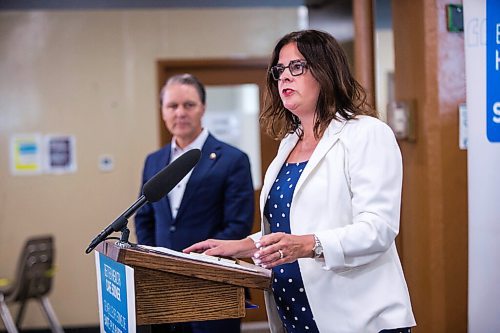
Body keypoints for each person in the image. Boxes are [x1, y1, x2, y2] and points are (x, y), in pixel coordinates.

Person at [184, 30, 416, 333]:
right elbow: (290, 227)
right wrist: (241, 246)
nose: (284, 77)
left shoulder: (366, 133)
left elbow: (378, 228)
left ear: (325, 70)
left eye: (297, 67)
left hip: (358, 318)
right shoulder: (289, 143)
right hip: (296, 315)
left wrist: (309, 245)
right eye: (279, 70)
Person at [134, 73, 254, 333]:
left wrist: (195, 262)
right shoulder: (154, 161)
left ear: (203, 108)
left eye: (188, 105)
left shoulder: (233, 159)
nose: (180, 113)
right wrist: (156, 261)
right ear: (163, 111)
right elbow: (144, 217)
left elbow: (238, 224)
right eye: (172, 106)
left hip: (212, 284)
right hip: (163, 286)